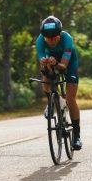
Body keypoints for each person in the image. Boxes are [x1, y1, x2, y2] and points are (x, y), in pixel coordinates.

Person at [36, 15, 82, 150]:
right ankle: (51, 102)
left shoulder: (67, 39)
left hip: (68, 63)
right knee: (45, 72)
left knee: (70, 99)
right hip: (51, 61)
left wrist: (56, 63)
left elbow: (63, 67)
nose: (50, 41)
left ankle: (77, 136)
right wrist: (44, 65)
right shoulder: (40, 40)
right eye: (47, 38)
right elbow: (42, 64)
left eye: (54, 38)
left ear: (59, 35)